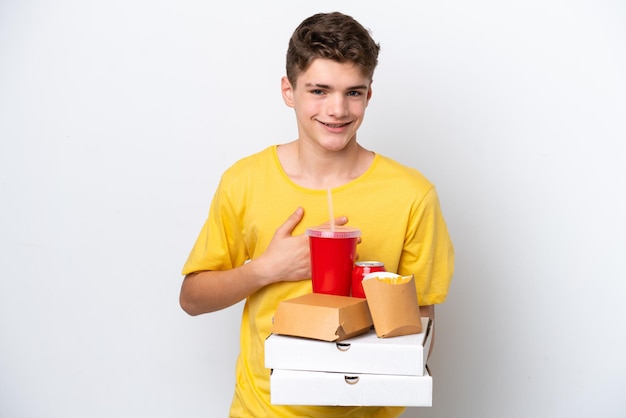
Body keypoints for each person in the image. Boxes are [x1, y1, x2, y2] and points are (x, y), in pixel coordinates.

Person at [180, 11, 454, 417]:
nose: (338, 109)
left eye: (354, 92)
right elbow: (191, 299)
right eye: (319, 91)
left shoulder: (413, 194)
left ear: (369, 93)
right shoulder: (244, 182)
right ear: (288, 91)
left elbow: (422, 316)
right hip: (262, 409)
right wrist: (265, 269)